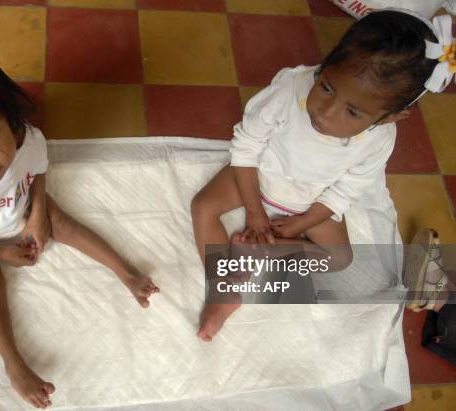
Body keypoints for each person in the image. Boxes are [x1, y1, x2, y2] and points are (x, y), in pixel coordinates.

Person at [0, 26, 159, 409]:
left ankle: (127, 272)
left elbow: (39, 170)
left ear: (10, 119)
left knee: (63, 222)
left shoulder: (24, 141)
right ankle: (13, 364)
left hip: (20, 205)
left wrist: (37, 215)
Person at [191, 10, 456, 341]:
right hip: (259, 176)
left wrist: (304, 222)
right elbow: (246, 147)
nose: (325, 112)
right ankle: (223, 290)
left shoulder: (381, 139)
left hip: (312, 200)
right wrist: (255, 211)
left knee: (340, 259)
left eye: (353, 111)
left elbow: (344, 190)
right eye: (327, 86)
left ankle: (263, 253)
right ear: (325, 64)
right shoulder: (291, 87)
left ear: (391, 117)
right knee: (203, 206)